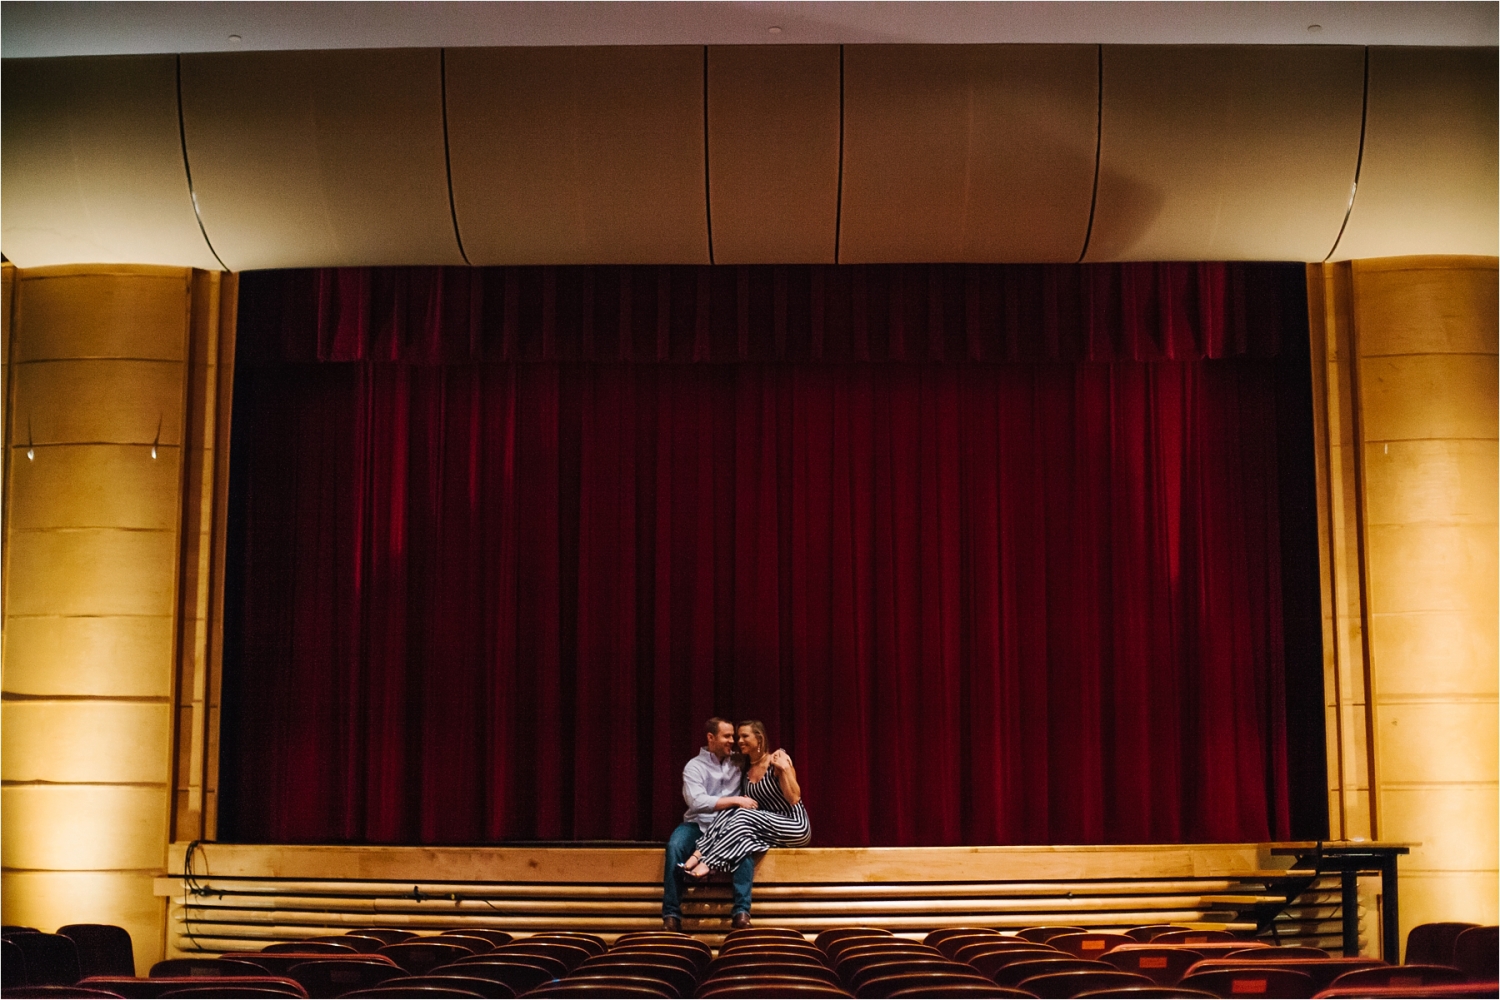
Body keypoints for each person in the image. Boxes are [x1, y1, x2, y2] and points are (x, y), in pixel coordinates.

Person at [679, 720, 810, 885]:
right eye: (737, 736)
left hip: (793, 824)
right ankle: (697, 856)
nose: (738, 741)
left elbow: (794, 798)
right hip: (765, 828)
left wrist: (784, 767)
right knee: (729, 813)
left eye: (744, 736)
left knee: (741, 814)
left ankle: (706, 864)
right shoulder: (745, 767)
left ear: (759, 738)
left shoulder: (776, 762)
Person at [662, 717, 759, 931]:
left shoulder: (738, 762)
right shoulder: (694, 766)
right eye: (727, 736)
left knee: (745, 851)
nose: (732, 741)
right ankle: (671, 915)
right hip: (698, 824)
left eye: (733, 736)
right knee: (675, 847)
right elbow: (696, 801)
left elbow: (760, 756)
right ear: (710, 738)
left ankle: (741, 913)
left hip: (728, 828)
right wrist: (736, 800)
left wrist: (778, 755)